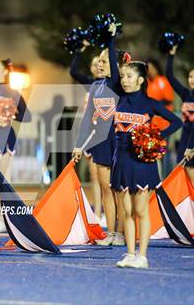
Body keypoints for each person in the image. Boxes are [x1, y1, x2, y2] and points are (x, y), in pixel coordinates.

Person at [112, 61, 182, 268]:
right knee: (126, 212)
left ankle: (142, 256)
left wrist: (155, 136)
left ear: (140, 80)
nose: (124, 80)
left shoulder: (150, 104)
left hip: (141, 162)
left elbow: (176, 122)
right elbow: (114, 75)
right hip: (121, 159)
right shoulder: (119, 99)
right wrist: (111, 38)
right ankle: (131, 254)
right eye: (123, 77)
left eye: (129, 76)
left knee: (140, 210)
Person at [72, 23, 125, 246]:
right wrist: (79, 144)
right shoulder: (95, 86)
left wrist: (110, 38)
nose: (100, 64)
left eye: (104, 61)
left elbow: (113, 61)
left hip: (119, 141)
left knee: (120, 191)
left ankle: (122, 233)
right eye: (99, 61)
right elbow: (87, 119)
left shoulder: (118, 84)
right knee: (106, 189)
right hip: (101, 141)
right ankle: (111, 232)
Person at [0, 58, 31, 232]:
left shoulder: (13, 92)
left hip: (5, 138)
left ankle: (4, 220)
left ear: (5, 71)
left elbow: (26, 116)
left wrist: (7, 112)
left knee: (2, 181)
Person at [69, 42, 103, 219]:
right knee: (95, 177)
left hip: (103, 134)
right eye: (95, 64)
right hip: (90, 134)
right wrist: (78, 51)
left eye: (101, 63)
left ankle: (108, 211)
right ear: (90, 68)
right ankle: (98, 213)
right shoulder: (90, 84)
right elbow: (73, 72)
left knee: (106, 177)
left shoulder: (110, 85)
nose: (98, 66)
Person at [166, 46, 194, 185]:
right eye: (190, 76)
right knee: (182, 179)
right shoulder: (186, 94)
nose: (192, 79)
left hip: (192, 144)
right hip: (184, 141)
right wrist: (171, 55)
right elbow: (170, 77)